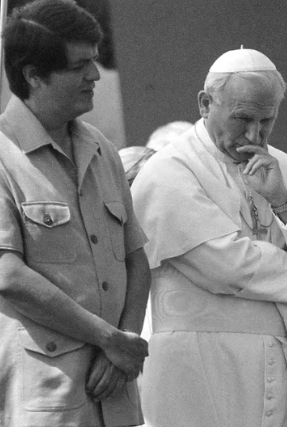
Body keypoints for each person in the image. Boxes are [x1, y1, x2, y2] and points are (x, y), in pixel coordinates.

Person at [131, 48, 287, 426]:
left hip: (279, 361)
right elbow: (227, 265)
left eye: (267, 121)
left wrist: (282, 201)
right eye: (242, 118)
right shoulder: (168, 171)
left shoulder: (286, 170)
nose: (254, 135)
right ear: (204, 103)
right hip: (195, 367)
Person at [0, 1, 150, 426]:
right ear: (33, 75)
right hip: (49, 398)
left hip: (115, 393)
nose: (95, 75)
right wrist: (110, 340)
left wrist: (125, 344)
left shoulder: (103, 150)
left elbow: (137, 259)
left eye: (95, 60)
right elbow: (8, 275)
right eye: (79, 65)